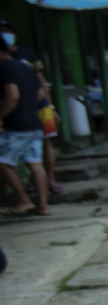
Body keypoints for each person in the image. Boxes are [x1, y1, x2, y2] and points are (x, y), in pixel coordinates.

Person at [0, 22, 60, 196]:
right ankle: (40, 197)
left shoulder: (25, 56)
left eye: (7, 31)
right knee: (34, 157)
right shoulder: (16, 65)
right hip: (28, 113)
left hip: (31, 111)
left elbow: (37, 85)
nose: (5, 34)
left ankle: (48, 182)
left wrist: (50, 106)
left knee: (44, 144)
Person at [0, 31, 48, 216]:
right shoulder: (25, 67)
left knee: (2, 161)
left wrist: (1, 116)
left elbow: (13, 95)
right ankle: (43, 206)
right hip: (34, 123)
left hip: (17, 125)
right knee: (35, 162)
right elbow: (40, 93)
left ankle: (24, 200)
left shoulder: (4, 68)